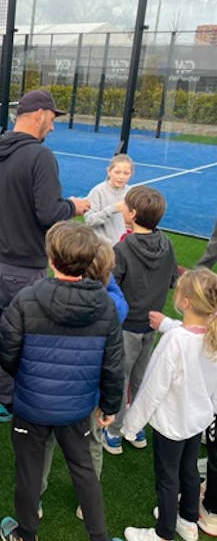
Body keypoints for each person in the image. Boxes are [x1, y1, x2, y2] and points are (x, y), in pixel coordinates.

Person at [0, 220, 125, 541]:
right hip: (76, 408)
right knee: (83, 470)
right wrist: (109, 406)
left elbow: (5, 351)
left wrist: (26, 378)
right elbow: (113, 365)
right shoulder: (105, 305)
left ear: (51, 259)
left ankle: (27, 537)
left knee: (29, 471)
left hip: (32, 407)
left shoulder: (26, 299)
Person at [0, 89, 90, 423]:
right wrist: (75, 207)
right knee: (18, 332)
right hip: (23, 266)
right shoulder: (41, 157)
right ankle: (7, 400)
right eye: (52, 119)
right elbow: (48, 213)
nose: (52, 127)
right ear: (39, 114)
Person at [123, 268, 217, 541]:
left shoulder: (176, 342)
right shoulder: (209, 337)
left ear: (185, 302)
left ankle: (163, 535)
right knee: (188, 469)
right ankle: (188, 520)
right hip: (197, 419)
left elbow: (153, 389)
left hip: (172, 422)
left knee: (167, 478)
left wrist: (131, 425)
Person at [40, 238, 128, 520]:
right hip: (90, 390)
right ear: (105, 272)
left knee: (44, 442)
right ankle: (85, 500)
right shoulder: (112, 305)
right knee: (92, 443)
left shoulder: (49, 297)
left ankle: (36, 494)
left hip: (51, 385)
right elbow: (114, 365)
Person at [101, 186, 179, 455]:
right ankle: (134, 428)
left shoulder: (121, 249)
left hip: (126, 326)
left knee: (120, 379)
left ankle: (113, 431)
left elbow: (112, 289)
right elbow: (172, 280)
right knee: (141, 379)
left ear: (132, 214)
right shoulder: (167, 243)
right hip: (153, 325)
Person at [85, 154, 134, 245]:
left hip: (123, 246)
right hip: (101, 247)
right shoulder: (98, 192)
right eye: (117, 172)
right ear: (109, 171)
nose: (121, 177)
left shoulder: (130, 192)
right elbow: (89, 221)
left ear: (131, 174)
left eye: (126, 173)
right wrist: (112, 209)